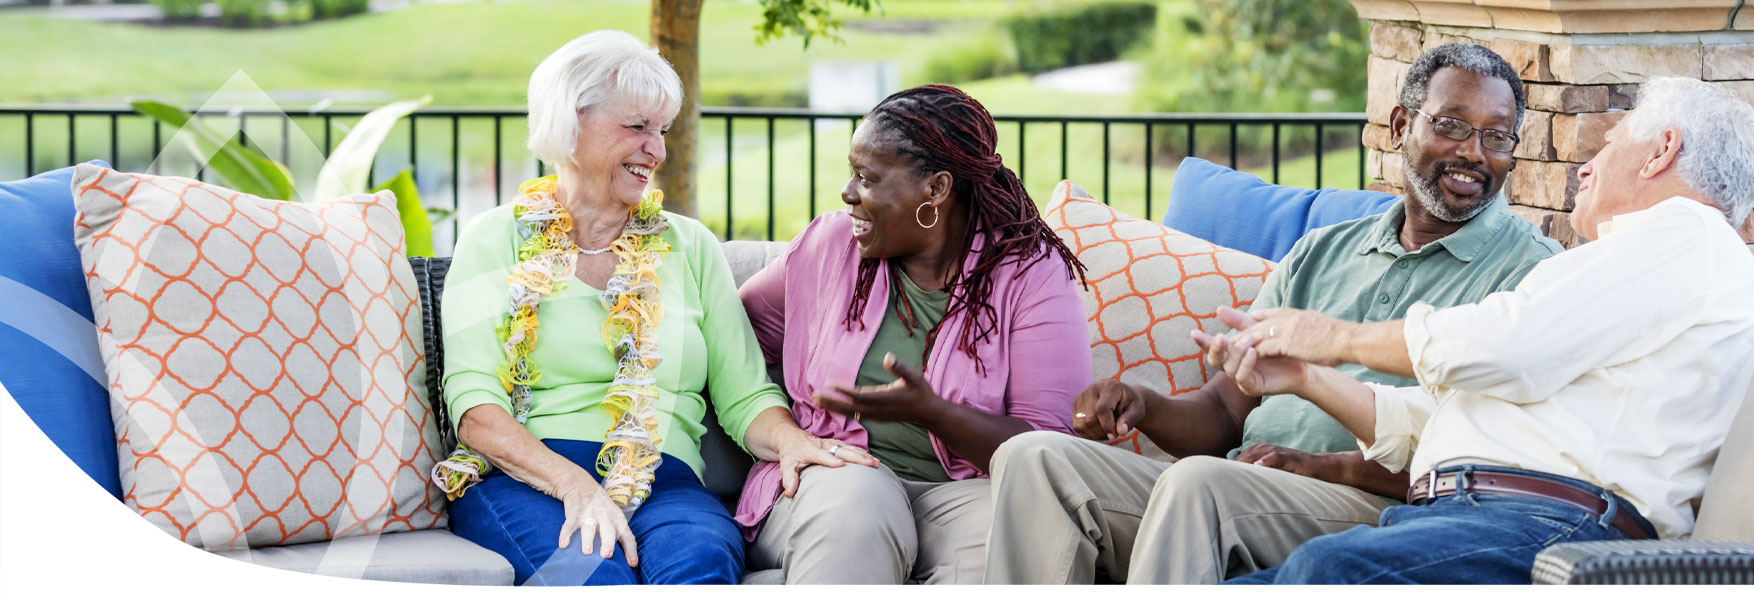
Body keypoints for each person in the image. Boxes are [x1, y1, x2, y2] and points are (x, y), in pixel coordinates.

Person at [983, 43, 1563, 585]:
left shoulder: (1531, 275)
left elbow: (1493, 460)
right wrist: (1145, 404)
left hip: (1383, 513)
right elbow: (1222, 411)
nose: (1473, 153)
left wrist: (1324, 466)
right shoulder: (1323, 251)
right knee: (1035, 458)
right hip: (1237, 485)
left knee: (1201, 485)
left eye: (1496, 136)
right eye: (1451, 125)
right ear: (1399, 126)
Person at [1210, 76, 1754, 584]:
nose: (1586, 166)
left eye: (1608, 143)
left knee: (1326, 572)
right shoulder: (1642, 270)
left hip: (1557, 532)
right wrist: (1308, 376)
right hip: (1482, 519)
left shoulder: (1687, 237)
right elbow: (1449, 412)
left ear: (1661, 152)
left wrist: (1337, 338)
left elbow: (1511, 347)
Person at [432, 30, 862, 586]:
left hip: (667, 481)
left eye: (661, 131)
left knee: (701, 563)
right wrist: (576, 487)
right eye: (636, 127)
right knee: (592, 575)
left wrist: (792, 441)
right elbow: (474, 408)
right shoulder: (493, 238)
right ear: (571, 122)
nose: (656, 150)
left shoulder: (690, 245)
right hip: (532, 479)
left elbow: (745, 394)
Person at [736, 84, 1092, 584]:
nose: (847, 192)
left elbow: (1045, 450)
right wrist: (784, 433)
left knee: (1020, 536)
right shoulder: (829, 246)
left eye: (867, 177)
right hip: (835, 476)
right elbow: (733, 341)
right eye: (851, 172)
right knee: (859, 505)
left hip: (962, 493)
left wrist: (935, 413)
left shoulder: (1028, 275)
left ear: (936, 189)